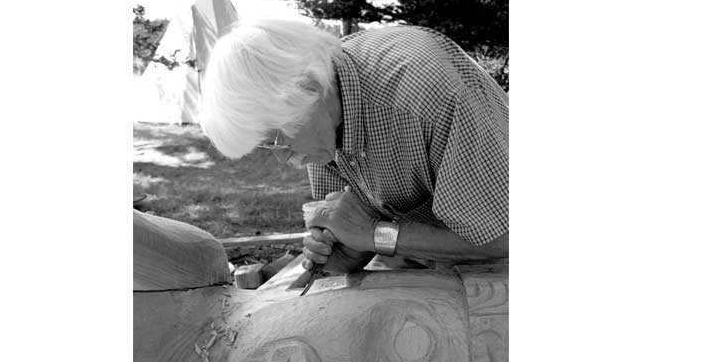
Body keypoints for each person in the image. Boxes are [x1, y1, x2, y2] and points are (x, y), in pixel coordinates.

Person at [199, 18, 508, 273]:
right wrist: (342, 249)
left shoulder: (426, 96)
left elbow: (502, 238)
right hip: (436, 263)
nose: (283, 158)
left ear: (310, 87)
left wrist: (375, 234)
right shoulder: (321, 119)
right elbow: (356, 234)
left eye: (277, 140)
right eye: (267, 147)